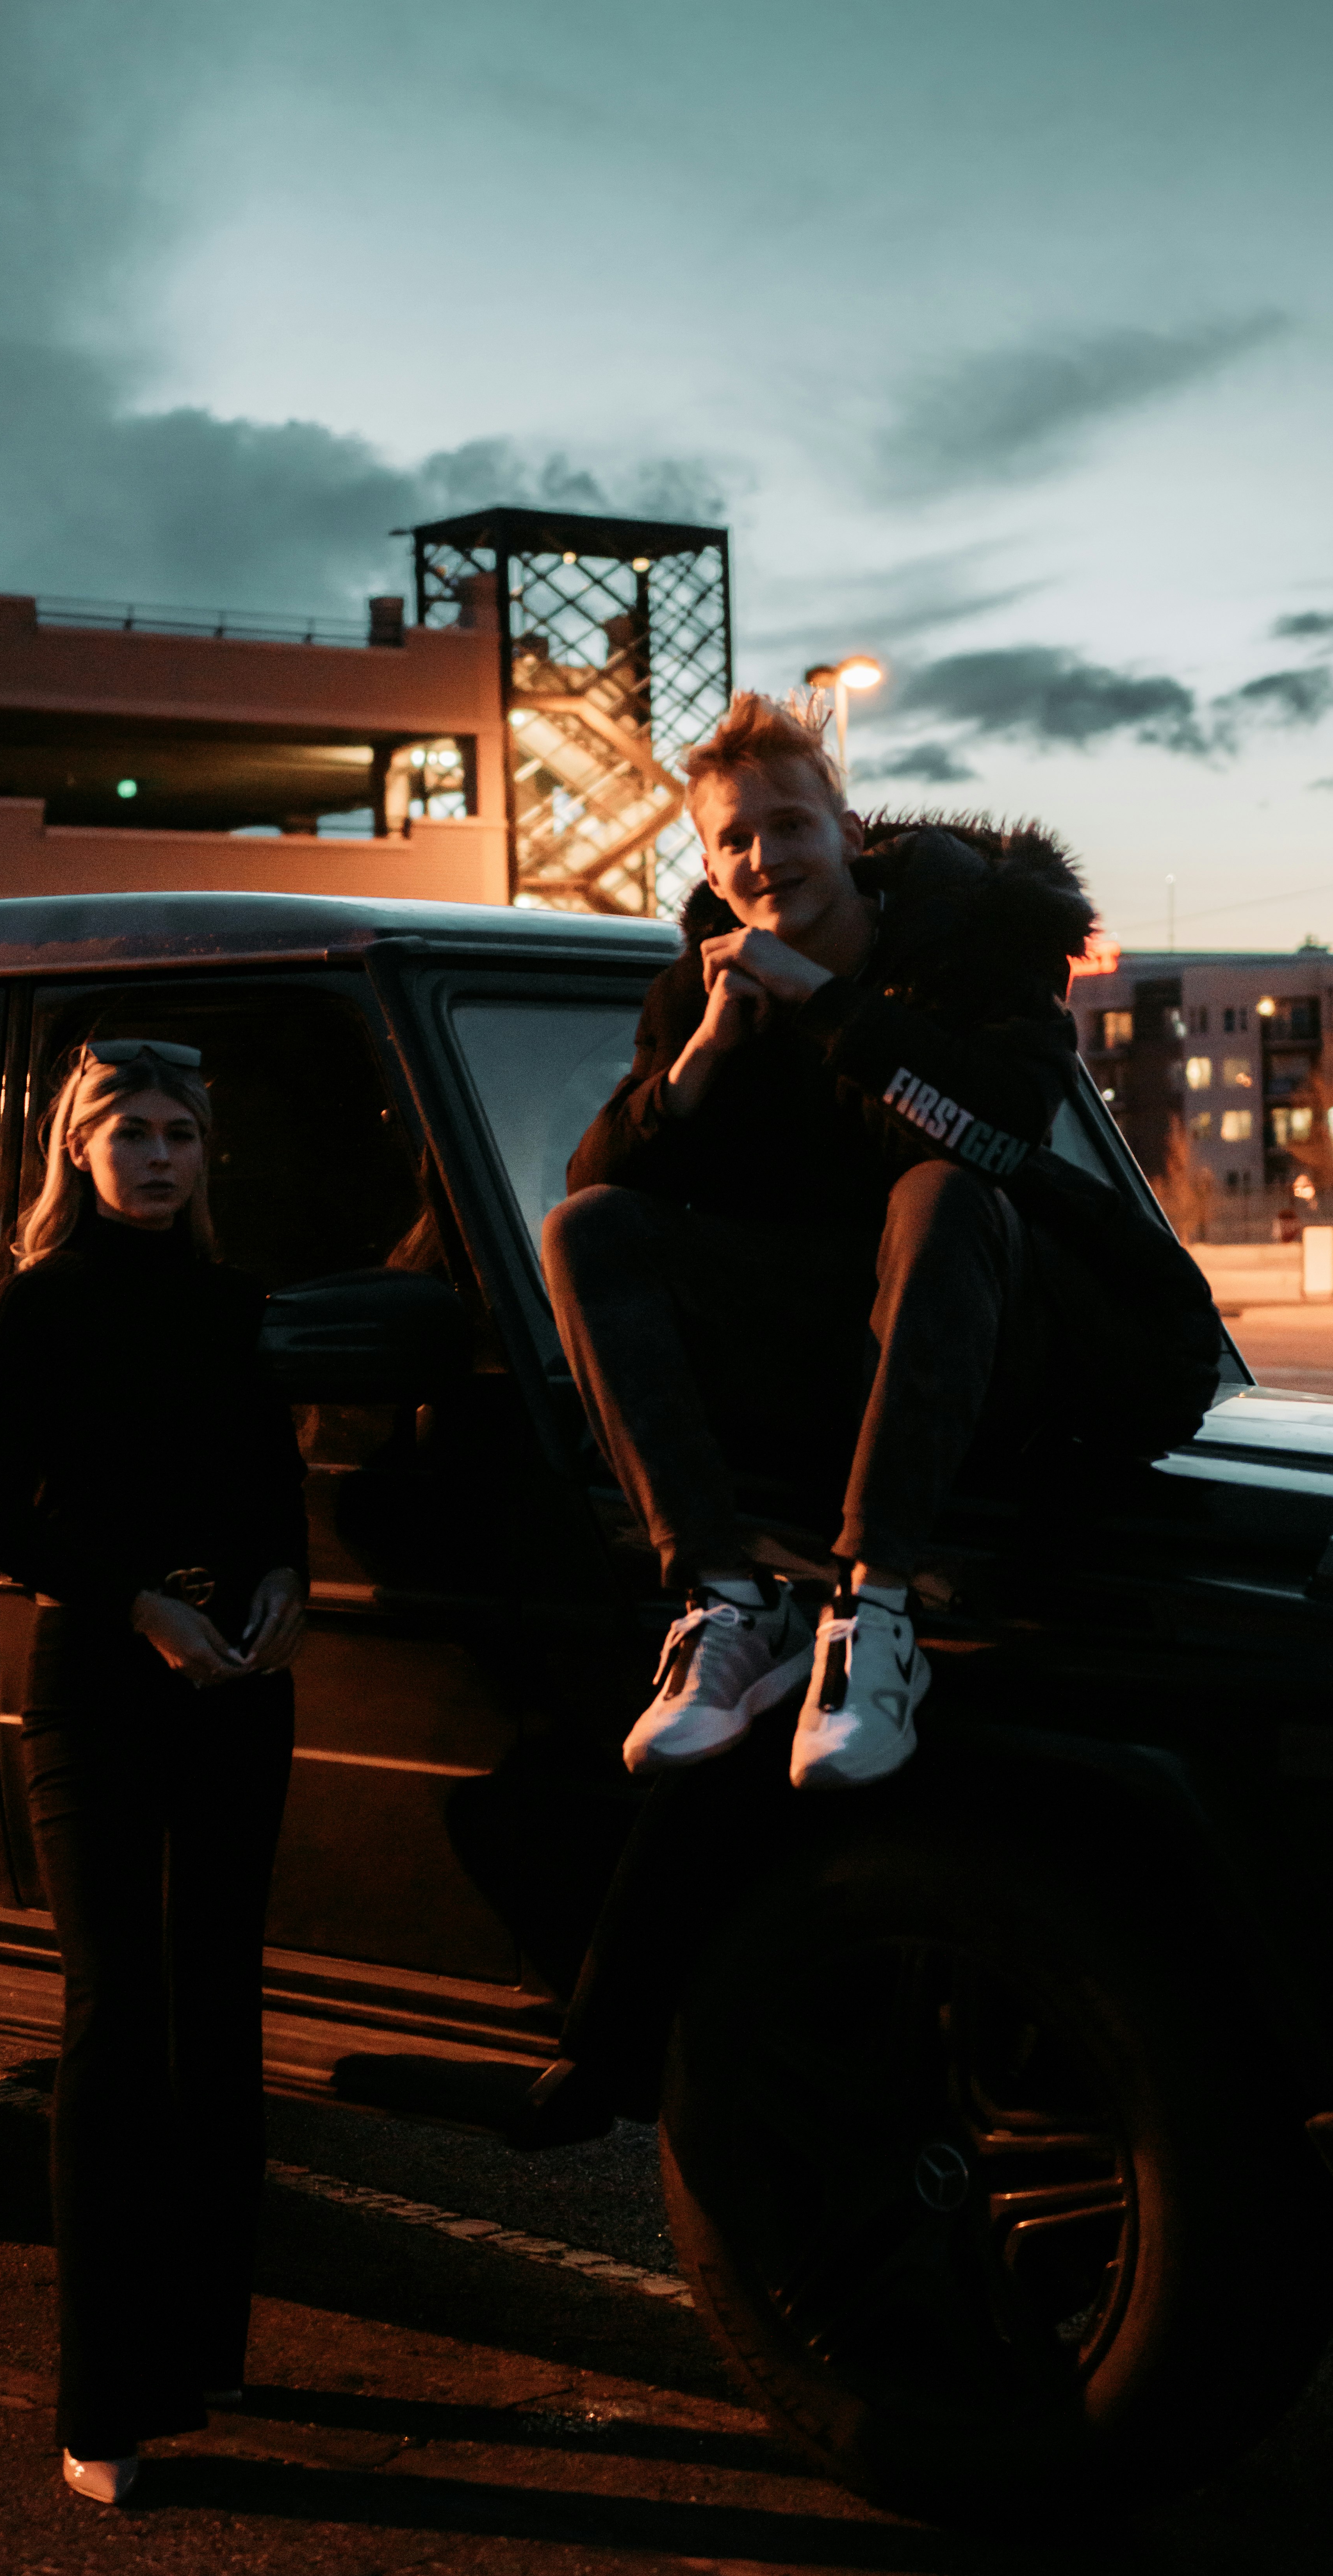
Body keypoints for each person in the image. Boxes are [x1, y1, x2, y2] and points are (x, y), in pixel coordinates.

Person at [544, 688, 1098, 1791]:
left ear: (850, 836)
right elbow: (599, 1198)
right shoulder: (698, 995)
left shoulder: (980, 956)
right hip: (811, 1352)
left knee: (936, 1191)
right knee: (587, 1225)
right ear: (710, 874)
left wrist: (830, 1006)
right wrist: (703, 1055)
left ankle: (876, 1612)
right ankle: (726, 1601)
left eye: (790, 825)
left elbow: (995, 1138)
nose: (766, 855)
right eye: (734, 839)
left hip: (996, 1347)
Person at [0, 1038, 307, 2507]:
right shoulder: (36, 1308)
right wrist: (140, 1604)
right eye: (131, 1133)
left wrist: (284, 1582)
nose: (160, 1157)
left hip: (235, 1683)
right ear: (80, 1153)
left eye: (181, 1135)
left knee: (220, 2006)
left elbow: (269, 1479)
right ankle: (105, 2403)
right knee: (116, 2015)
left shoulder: (232, 1307)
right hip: (100, 1682)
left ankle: (204, 2351)